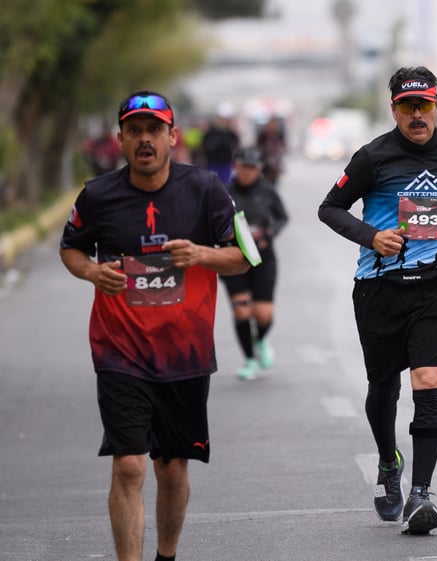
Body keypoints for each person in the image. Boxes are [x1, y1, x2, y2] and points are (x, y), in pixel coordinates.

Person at [59, 90, 250, 561]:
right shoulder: (97, 196)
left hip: (184, 353)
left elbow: (245, 256)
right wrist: (91, 272)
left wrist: (202, 253)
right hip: (119, 350)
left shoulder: (206, 189)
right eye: (135, 131)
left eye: (154, 130)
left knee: (171, 469)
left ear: (173, 137)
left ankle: (166, 554)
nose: (145, 140)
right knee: (128, 466)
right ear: (120, 139)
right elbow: (71, 247)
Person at [317, 66, 437, 535]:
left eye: (425, 105)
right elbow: (329, 208)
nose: (417, 114)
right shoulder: (371, 157)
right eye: (407, 106)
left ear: (436, 105)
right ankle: (387, 459)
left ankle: (422, 493)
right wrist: (372, 236)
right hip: (379, 288)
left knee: (428, 377)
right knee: (383, 390)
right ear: (393, 108)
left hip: (436, 286)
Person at [220, 147, 289, 380]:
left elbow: (283, 217)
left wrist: (270, 233)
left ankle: (260, 339)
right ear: (235, 166)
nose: (247, 172)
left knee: (263, 314)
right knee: (241, 310)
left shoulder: (267, 191)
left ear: (259, 169)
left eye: (252, 168)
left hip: (262, 257)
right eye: (243, 167)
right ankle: (249, 360)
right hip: (232, 257)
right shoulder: (224, 192)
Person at [200, 103, 240, 184]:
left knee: (225, 185)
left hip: (226, 164)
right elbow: (204, 147)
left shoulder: (231, 134)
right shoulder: (210, 132)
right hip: (212, 163)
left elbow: (235, 147)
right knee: (212, 184)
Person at [256, 115, 287, 185]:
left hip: (275, 164)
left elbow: (283, 146)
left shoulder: (279, 134)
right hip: (265, 162)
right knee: (265, 182)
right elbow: (258, 146)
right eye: (271, 124)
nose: (272, 126)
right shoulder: (263, 135)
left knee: (274, 182)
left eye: (274, 124)